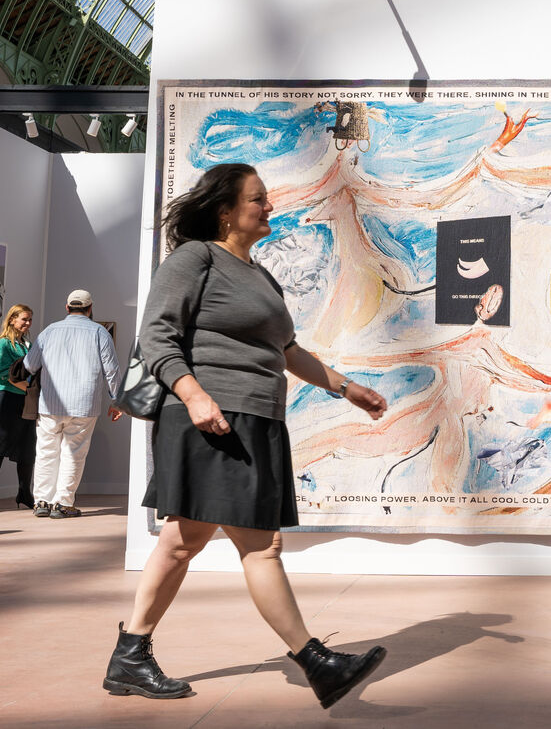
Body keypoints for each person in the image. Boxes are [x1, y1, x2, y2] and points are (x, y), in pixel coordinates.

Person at [105, 162, 391, 710]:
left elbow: (286, 351)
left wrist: (346, 387)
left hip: (255, 418)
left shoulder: (259, 275)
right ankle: (316, 663)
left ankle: (130, 655)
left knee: (184, 541)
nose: (269, 206)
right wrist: (194, 396)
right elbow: (157, 335)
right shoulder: (195, 258)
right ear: (225, 211)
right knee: (259, 545)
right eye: (258, 198)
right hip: (211, 417)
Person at [23, 289, 122, 519]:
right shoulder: (99, 332)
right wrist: (117, 400)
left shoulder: (49, 331)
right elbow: (111, 370)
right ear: (90, 308)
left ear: (67, 307)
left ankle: (42, 502)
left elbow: (29, 365)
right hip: (83, 404)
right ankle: (63, 504)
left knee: (46, 452)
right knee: (73, 453)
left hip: (50, 403)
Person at [0, 304, 36, 513]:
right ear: (12, 319)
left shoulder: (27, 344)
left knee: (28, 448)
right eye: (24, 319)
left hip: (25, 400)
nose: (28, 323)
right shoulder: (3, 343)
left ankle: (24, 493)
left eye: (30, 319)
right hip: (6, 399)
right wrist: (28, 387)